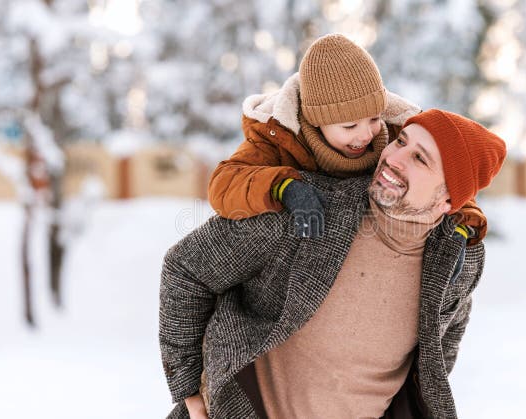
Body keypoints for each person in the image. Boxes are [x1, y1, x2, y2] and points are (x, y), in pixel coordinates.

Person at [159, 108, 507, 418]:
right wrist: (189, 390)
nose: (395, 159)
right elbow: (187, 269)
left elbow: (439, 351)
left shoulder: (459, 259)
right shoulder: (306, 208)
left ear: (450, 199)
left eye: (420, 159)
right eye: (400, 141)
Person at [207, 33, 488, 242]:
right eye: (350, 125)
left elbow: (449, 181)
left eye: (374, 118)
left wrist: (464, 226)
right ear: (317, 121)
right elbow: (223, 184)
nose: (366, 134)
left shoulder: (395, 134)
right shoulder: (278, 138)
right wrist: (284, 187)